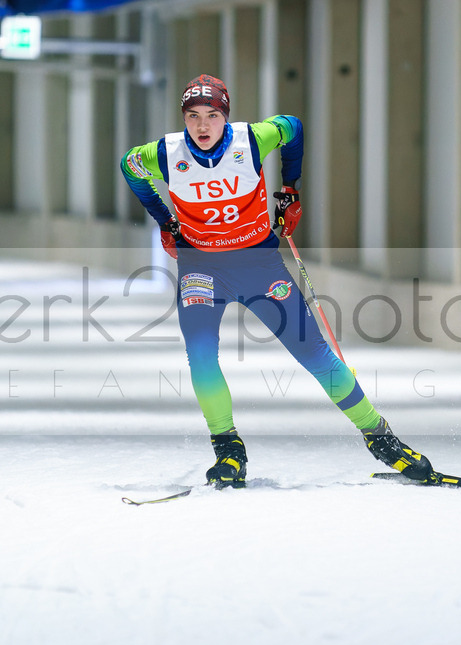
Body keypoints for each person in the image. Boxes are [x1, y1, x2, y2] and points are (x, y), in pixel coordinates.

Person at [120, 74, 432, 489]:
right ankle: (228, 449)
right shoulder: (164, 152)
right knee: (201, 357)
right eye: (193, 116)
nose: (202, 126)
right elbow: (129, 166)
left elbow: (293, 126)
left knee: (314, 353)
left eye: (212, 115)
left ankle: (381, 439)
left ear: (225, 116)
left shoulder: (252, 139)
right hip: (201, 270)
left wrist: (290, 189)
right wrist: (165, 221)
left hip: (259, 266)